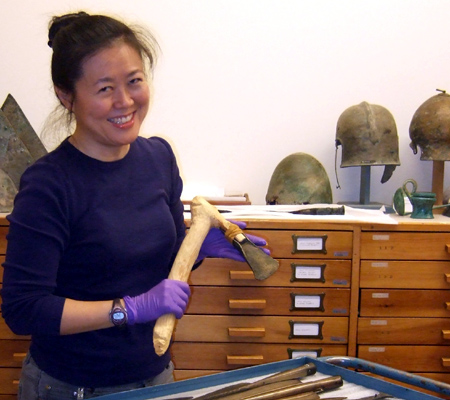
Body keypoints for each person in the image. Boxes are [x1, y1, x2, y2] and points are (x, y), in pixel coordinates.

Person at [0, 11, 269, 399]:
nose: (125, 101)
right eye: (105, 88)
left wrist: (197, 248)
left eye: (134, 81)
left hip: (154, 378)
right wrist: (128, 309)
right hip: (72, 387)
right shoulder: (49, 185)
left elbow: (154, 260)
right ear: (66, 96)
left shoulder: (158, 157)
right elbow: (24, 310)